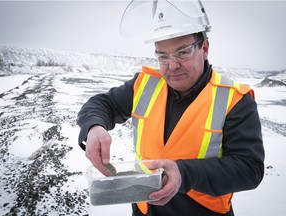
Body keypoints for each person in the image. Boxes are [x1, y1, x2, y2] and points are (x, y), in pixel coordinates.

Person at [77, 0, 264, 215]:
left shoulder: (234, 99)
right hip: (144, 210)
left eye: (182, 53)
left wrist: (184, 173)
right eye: (163, 56)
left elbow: (249, 169)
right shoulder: (145, 85)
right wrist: (94, 127)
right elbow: (101, 104)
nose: (172, 65)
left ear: (204, 48)